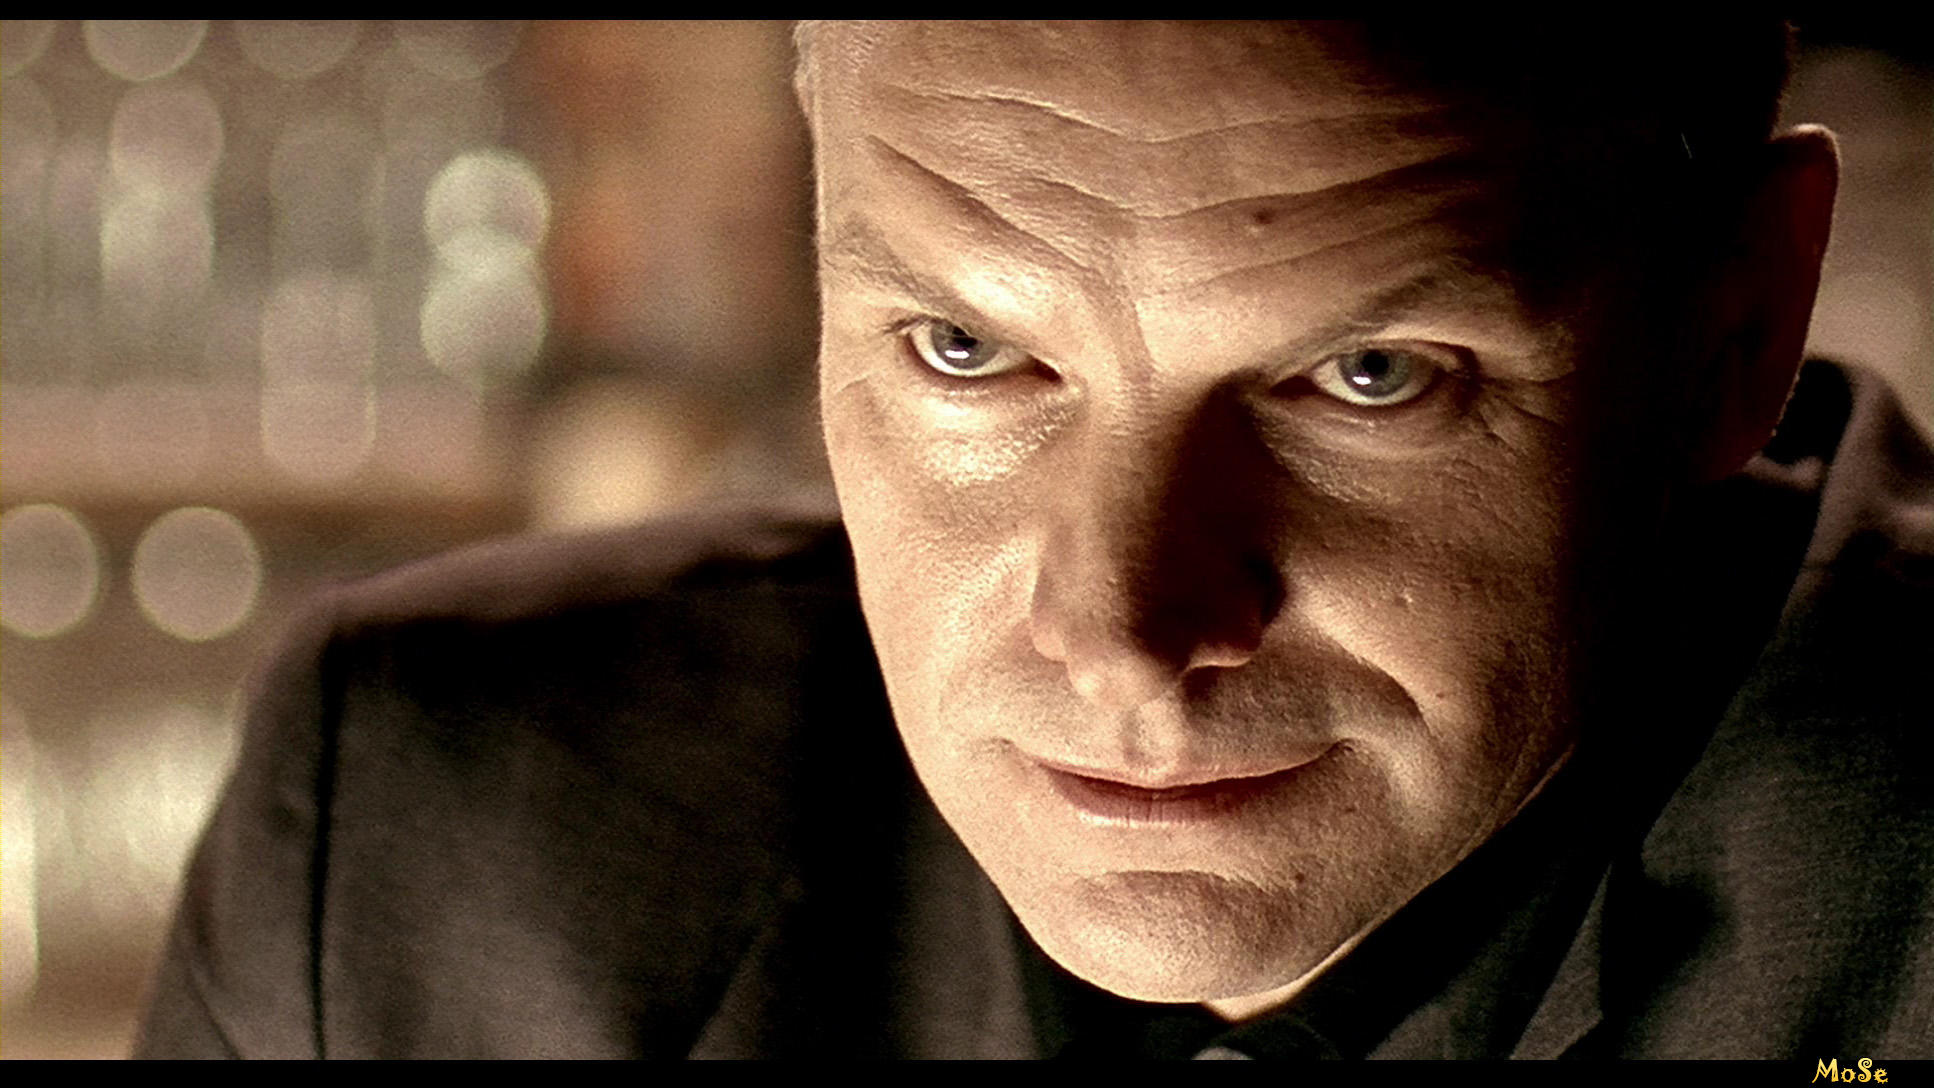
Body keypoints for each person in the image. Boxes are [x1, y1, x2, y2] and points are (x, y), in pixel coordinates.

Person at [137, 21, 1933, 1059]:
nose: (1120, 630)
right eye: (963, 350)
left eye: (1366, 377)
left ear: (1736, 330)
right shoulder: (431, 846)